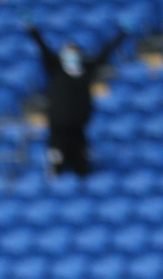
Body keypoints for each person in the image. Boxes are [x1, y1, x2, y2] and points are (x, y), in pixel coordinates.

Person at [26, 23, 127, 177]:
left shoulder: (86, 70)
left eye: (74, 52)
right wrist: (32, 29)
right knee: (57, 168)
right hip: (58, 130)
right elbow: (43, 48)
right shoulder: (55, 69)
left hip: (78, 129)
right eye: (68, 52)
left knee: (82, 168)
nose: (71, 55)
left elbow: (105, 54)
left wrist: (122, 34)